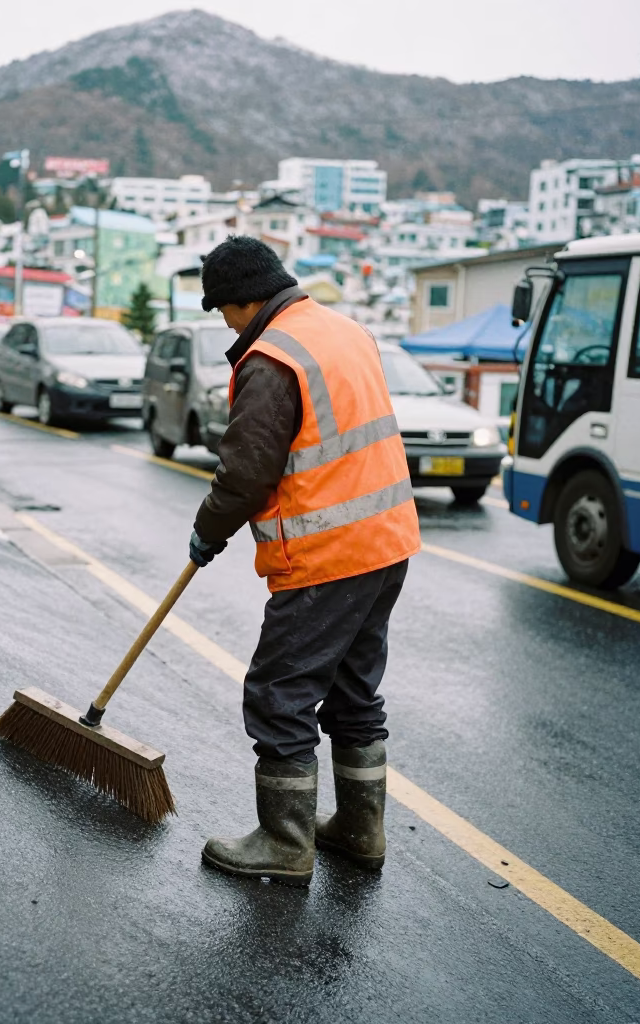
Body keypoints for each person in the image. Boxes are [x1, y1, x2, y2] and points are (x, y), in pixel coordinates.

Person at [190, 236, 420, 886]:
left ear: (245, 299)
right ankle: (360, 830)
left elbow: (245, 472)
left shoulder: (273, 357)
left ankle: (285, 842)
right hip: (386, 541)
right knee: (352, 689)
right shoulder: (345, 331)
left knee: (279, 692)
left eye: (222, 309)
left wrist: (207, 531)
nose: (225, 323)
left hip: (328, 554)